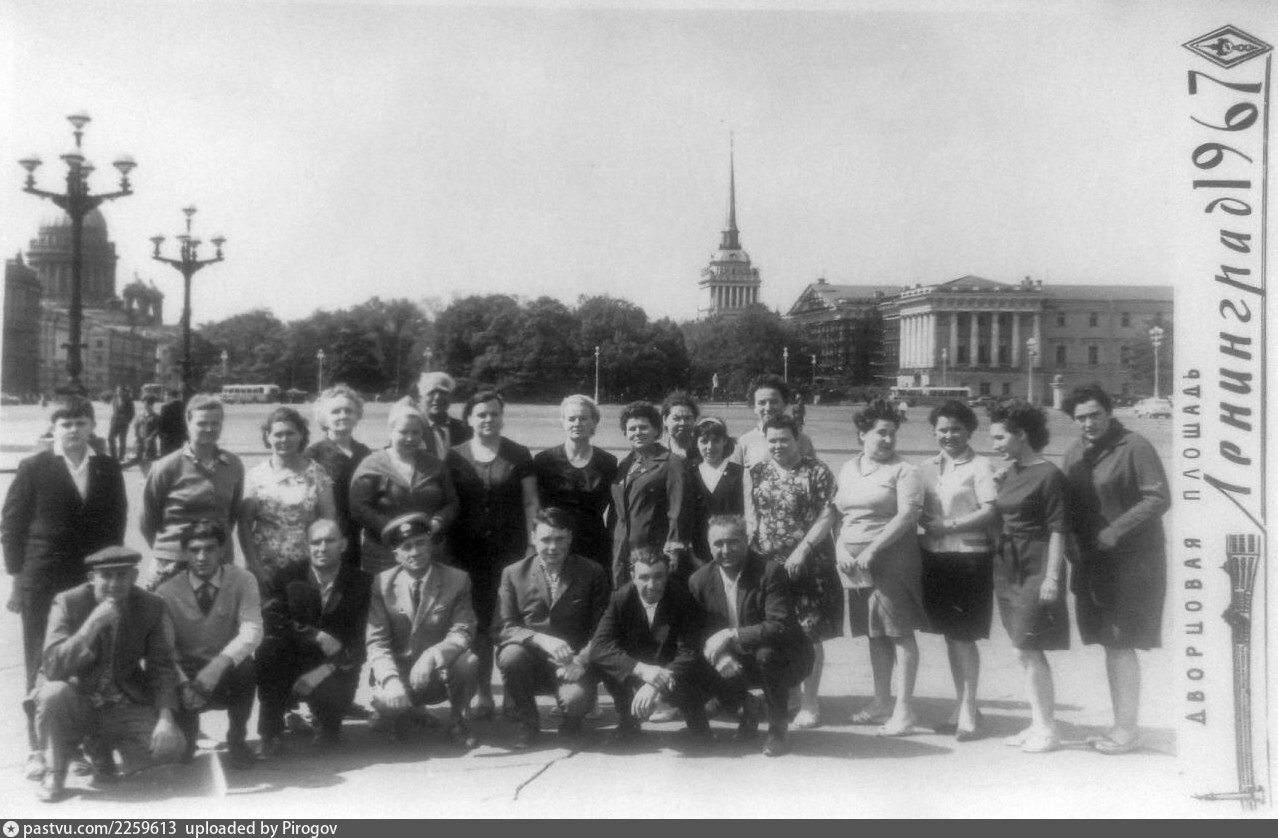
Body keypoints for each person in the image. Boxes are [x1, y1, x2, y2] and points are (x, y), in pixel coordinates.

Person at [3, 396, 128, 781]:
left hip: (89, 583)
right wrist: (16, 580)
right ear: (54, 428)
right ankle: (37, 749)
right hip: (43, 581)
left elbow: (117, 524)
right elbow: (11, 527)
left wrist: (111, 580)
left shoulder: (107, 468)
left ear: (92, 426)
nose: (73, 430)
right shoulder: (34, 468)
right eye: (65, 423)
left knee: (87, 660)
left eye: (80, 422)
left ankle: (74, 747)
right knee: (42, 662)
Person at [1061, 383, 1170, 755]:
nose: (1088, 423)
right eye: (1080, 417)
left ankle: (1127, 730)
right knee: (1110, 642)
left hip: (1132, 562)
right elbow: (1066, 502)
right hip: (1091, 562)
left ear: (1108, 412)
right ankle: (1121, 726)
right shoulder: (1074, 452)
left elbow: (1158, 497)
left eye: (1095, 414)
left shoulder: (1135, 446)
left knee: (1120, 642)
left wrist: (1115, 530)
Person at [28, 546, 185, 803]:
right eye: (106, 576)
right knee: (52, 693)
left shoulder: (151, 605)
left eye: (122, 575)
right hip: (77, 698)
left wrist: (165, 719)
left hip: (120, 701)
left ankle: (100, 749)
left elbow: (162, 666)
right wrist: (93, 624)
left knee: (172, 746)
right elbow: (54, 667)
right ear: (92, 578)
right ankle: (55, 772)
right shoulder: (68, 601)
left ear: (134, 577)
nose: (114, 583)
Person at [833, 398, 928, 736]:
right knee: (875, 633)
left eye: (892, 434)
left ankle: (904, 710)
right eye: (881, 433)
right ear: (862, 434)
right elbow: (840, 514)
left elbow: (907, 516)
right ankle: (881, 701)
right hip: (856, 567)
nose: (888, 440)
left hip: (893, 562)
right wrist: (840, 548)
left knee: (899, 632)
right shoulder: (848, 468)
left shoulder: (905, 470)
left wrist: (872, 549)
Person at [685, 515, 813, 757]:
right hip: (733, 658)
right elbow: (695, 632)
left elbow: (780, 625)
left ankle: (778, 729)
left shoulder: (770, 571)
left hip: (783, 655)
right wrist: (719, 657)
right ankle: (746, 707)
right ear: (709, 545)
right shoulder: (699, 580)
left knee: (767, 655)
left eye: (733, 541)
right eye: (718, 544)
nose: (725, 550)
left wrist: (731, 635)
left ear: (746, 540)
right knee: (691, 660)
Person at [744, 415, 841, 729]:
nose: (778, 445)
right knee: (776, 631)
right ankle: (788, 697)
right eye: (772, 440)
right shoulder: (758, 471)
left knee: (810, 633)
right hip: (770, 568)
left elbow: (828, 514)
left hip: (809, 565)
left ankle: (810, 703)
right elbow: (753, 517)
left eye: (784, 439)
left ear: (797, 440)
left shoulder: (817, 471)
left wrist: (803, 550)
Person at [445, 390, 538, 720]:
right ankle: (484, 694)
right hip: (466, 556)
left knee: (510, 620)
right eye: (481, 414)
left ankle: (513, 694)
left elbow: (531, 501)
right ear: (469, 419)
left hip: (510, 554)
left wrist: (532, 545)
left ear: (502, 417)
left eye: (494, 413)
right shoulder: (453, 456)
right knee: (478, 625)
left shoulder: (519, 454)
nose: (488, 419)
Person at [987, 399, 1070, 753]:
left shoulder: (1049, 475)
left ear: (1021, 434)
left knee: (1028, 648)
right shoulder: (1010, 472)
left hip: (1036, 565)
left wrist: (1052, 578)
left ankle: (1048, 729)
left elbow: (1058, 529)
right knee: (1022, 650)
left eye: (1000, 437)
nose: (995, 444)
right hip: (1008, 566)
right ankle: (1038, 722)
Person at [494, 507, 610, 750]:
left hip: (573, 663)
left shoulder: (592, 572)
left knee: (576, 700)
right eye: (546, 539)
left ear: (570, 538)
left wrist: (581, 661)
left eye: (559, 539)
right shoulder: (513, 573)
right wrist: (540, 639)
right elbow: (503, 627)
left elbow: (603, 629)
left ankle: (572, 724)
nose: (552, 547)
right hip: (531, 661)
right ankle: (528, 722)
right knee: (510, 655)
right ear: (533, 538)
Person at [917, 400, 999, 740]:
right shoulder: (926, 467)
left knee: (964, 637)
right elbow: (917, 509)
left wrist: (948, 526)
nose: (949, 435)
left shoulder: (981, 466)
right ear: (933, 432)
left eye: (956, 429)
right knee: (951, 636)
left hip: (969, 558)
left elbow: (990, 511)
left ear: (969, 431)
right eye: (943, 430)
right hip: (936, 558)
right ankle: (962, 704)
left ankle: (968, 710)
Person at [154, 520, 263, 769]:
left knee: (246, 667)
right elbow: (166, 648)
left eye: (210, 549)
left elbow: (252, 630)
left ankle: (237, 739)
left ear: (222, 550)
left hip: (224, 670)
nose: (202, 557)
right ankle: (188, 737)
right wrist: (184, 684)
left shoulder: (243, 580)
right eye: (194, 550)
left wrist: (218, 665)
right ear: (185, 553)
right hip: (187, 674)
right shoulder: (166, 592)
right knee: (181, 754)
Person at [257, 519, 372, 754]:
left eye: (330, 541)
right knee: (268, 651)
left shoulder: (362, 582)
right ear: (306, 546)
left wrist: (323, 671)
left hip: (335, 665)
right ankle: (271, 733)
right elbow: (271, 619)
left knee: (329, 736)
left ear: (343, 544)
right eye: (316, 542)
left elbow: (361, 640)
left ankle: (327, 725)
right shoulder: (288, 576)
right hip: (293, 658)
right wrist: (315, 635)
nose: (322, 548)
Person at [365, 513, 479, 749]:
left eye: (420, 543)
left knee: (468, 662)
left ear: (431, 544)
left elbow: (464, 631)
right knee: (388, 706)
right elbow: (376, 642)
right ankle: (403, 714)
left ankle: (458, 722)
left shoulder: (456, 579)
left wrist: (431, 656)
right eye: (406, 547)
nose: (415, 552)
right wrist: (390, 679)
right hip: (400, 674)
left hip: (438, 673)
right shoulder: (382, 584)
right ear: (396, 554)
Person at [589, 547, 713, 746]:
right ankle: (628, 721)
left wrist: (655, 683)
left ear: (667, 574)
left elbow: (690, 651)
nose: (652, 585)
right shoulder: (620, 598)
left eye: (658, 576)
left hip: (671, 666)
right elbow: (600, 647)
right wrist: (641, 670)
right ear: (633, 576)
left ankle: (697, 723)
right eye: (644, 577)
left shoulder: (682, 597)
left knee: (692, 669)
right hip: (640, 665)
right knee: (607, 663)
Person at [349, 401, 459, 575]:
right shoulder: (372, 465)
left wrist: (436, 522)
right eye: (403, 432)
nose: (410, 438)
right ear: (391, 431)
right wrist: (394, 528)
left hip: (429, 549)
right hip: (384, 552)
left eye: (416, 432)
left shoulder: (435, 464)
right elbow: (359, 508)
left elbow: (452, 502)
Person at [140, 395, 245, 573]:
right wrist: (168, 552)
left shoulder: (233, 464)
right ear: (188, 423)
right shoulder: (166, 466)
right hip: (174, 561)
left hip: (218, 559)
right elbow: (148, 520)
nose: (209, 429)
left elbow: (232, 515)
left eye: (215, 423)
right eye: (202, 423)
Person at [239, 407, 338, 585]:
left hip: (307, 568)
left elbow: (328, 522)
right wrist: (256, 569)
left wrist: (322, 566)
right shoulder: (255, 476)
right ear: (268, 437)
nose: (284, 439)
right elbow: (244, 526)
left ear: (301, 435)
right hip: (264, 569)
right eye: (278, 434)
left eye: (290, 433)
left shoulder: (317, 473)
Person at [530, 395, 617, 572]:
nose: (577, 423)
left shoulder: (608, 462)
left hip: (594, 544)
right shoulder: (543, 461)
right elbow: (534, 506)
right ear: (563, 421)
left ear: (594, 422)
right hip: (554, 542)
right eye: (571, 418)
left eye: (583, 418)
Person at [609, 401, 689, 589]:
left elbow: (678, 509)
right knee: (623, 597)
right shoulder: (625, 464)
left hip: (653, 550)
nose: (637, 432)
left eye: (643, 427)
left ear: (657, 431)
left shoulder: (671, 462)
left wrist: (673, 546)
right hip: (621, 549)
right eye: (632, 429)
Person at [305, 385, 373, 570]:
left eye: (348, 411)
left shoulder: (365, 453)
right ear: (323, 417)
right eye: (335, 411)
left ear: (357, 415)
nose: (343, 415)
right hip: (325, 536)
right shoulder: (312, 455)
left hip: (358, 534)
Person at [686, 417, 745, 566]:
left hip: (731, 549)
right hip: (699, 552)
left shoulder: (739, 473)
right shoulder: (689, 473)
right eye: (704, 441)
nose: (710, 447)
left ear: (725, 441)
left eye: (716, 441)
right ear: (696, 443)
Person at [733, 374, 817, 467]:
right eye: (762, 403)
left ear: (785, 404)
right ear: (754, 407)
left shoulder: (803, 440)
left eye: (774, 402)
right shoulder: (744, 442)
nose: (768, 408)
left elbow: (815, 472)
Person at [412, 371, 472, 459]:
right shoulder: (411, 429)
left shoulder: (464, 429)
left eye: (443, 392)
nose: (437, 397)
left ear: (451, 397)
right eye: (431, 392)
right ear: (420, 398)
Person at [660, 391, 700, 462]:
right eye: (676, 418)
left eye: (687, 418)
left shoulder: (704, 451)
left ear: (695, 420)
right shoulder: (658, 454)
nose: (682, 423)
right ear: (665, 420)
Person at [133, 397, 161, 475]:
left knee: (150, 459)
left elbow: (158, 429)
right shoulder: (140, 415)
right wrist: (137, 436)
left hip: (150, 442)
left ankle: (149, 475)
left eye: (147, 405)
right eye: (145, 405)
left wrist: (151, 437)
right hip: (140, 441)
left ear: (151, 405)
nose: (145, 407)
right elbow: (136, 426)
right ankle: (145, 474)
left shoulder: (156, 417)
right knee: (139, 459)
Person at [107, 386, 135, 463]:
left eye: (119, 390)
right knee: (110, 438)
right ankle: (114, 457)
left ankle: (121, 457)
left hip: (123, 424)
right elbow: (114, 410)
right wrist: (112, 420)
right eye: (117, 390)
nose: (118, 392)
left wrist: (127, 421)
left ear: (123, 392)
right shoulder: (115, 399)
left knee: (122, 440)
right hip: (115, 422)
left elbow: (132, 413)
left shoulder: (128, 400)